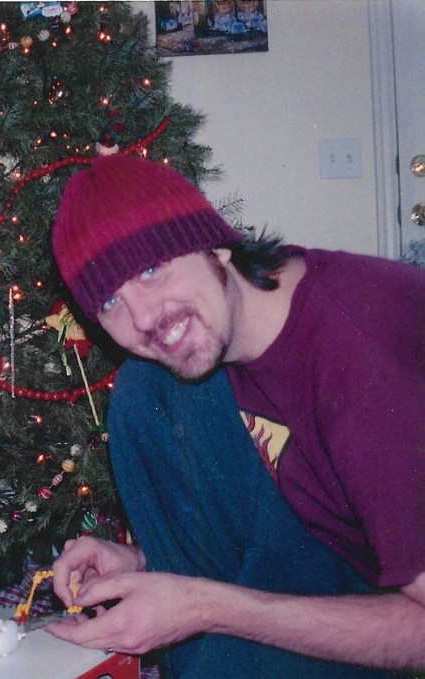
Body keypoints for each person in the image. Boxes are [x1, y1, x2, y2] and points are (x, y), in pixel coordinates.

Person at [45, 154, 425, 677]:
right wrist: (146, 563)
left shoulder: (360, 366)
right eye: (110, 301)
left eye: (152, 269)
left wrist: (208, 607)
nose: (144, 318)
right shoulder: (249, 320)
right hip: (342, 544)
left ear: (214, 244)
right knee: (145, 388)